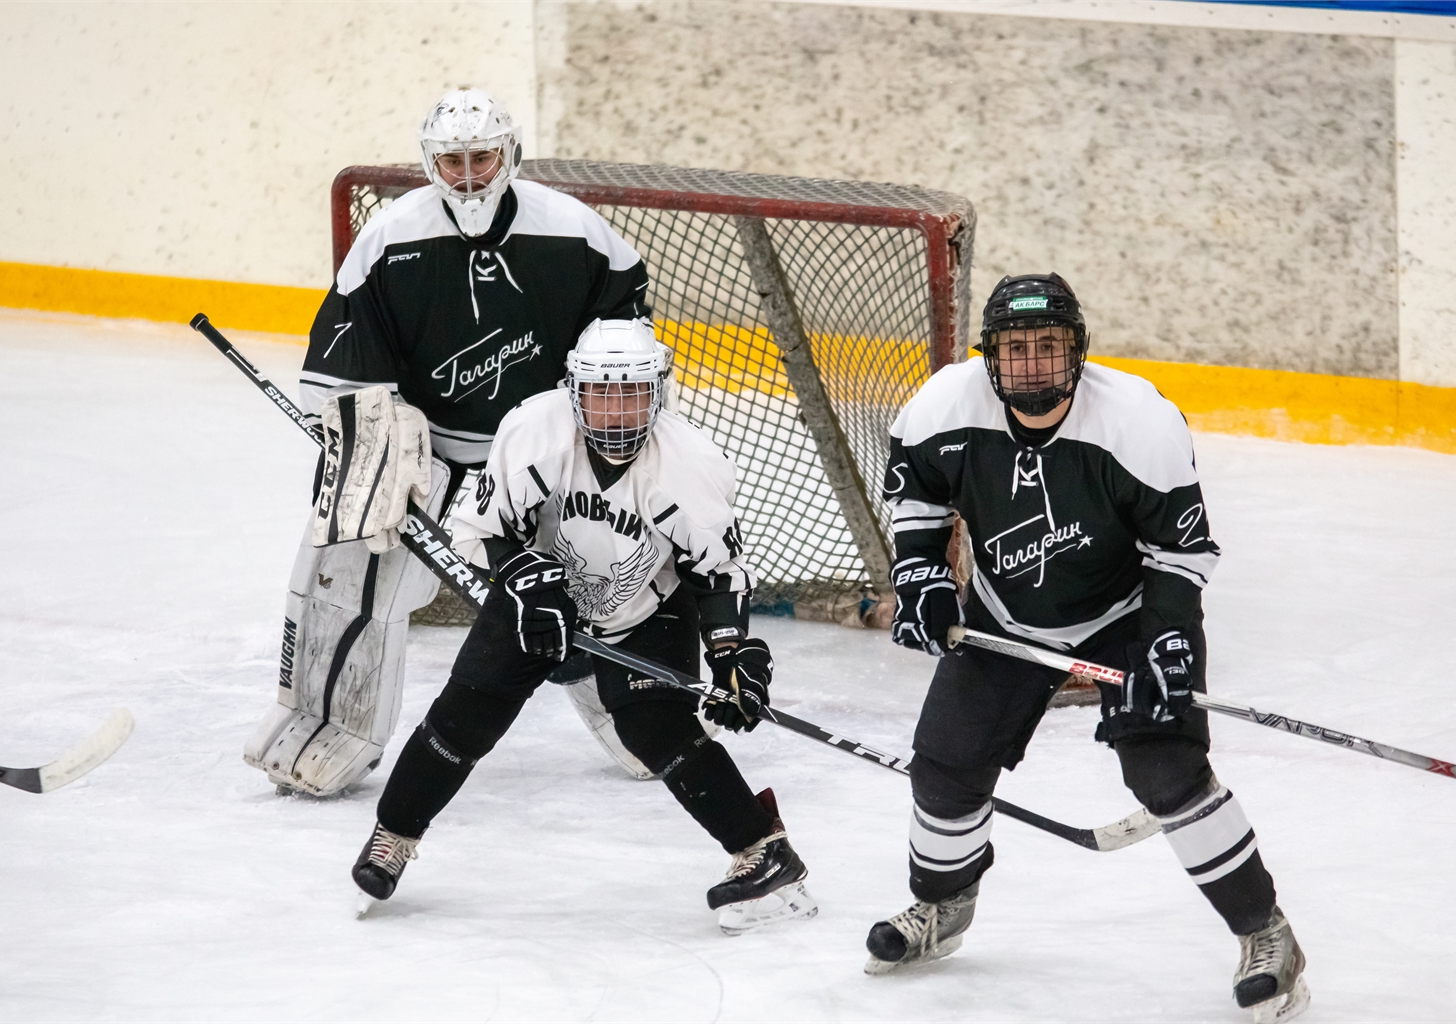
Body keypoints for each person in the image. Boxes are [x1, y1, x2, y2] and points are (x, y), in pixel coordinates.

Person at [866, 274, 1308, 1023]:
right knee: (945, 763)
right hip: (1006, 612)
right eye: (1016, 349)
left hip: (1127, 611)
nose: (1033, 365)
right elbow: (919, 498)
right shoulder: (941, 406)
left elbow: (1181, 553)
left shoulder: (1138, 420)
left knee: (1165, 769)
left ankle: (1268, 935)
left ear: (1077, 353)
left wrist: (1165, 643)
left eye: (1049, 347)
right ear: (990, 357)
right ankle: (942, 908)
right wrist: (921, 579)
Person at [243, 87, 660, 797]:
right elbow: (344, 361)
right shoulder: (391, 235)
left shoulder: (578, 233)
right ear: (431, 162)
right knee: (346, 564)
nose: (468, 174)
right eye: (453, 159)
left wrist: (579, 443)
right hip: (427, 445)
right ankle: (331, 725)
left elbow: (619, 355)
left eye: (482, 156)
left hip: (538, 449)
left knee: (593, 581)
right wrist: (366, 439)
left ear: (510, 154)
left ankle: (649, 722)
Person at [348, 319, 816, 934]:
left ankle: (764, 850)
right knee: (467, 711)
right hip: (540, 596)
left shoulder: (690, 465)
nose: (617, 413)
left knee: (656, 730)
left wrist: (731, 655)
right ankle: (394, 837)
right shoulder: (534, 431)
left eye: (632, 395)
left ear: (660, 392)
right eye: (601, 394)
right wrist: (523, 578)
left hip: (646, 608)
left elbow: (717, 573)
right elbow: (492, 531)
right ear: (574, 390)